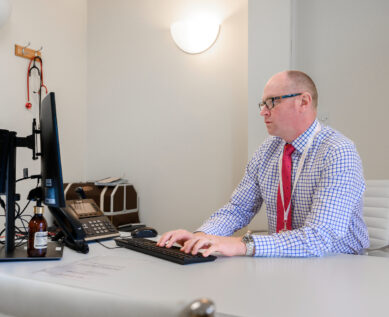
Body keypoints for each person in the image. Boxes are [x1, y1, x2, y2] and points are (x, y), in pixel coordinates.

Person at [157, 70, 369, 257]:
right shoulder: (268, 149)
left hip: (339, 264)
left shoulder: (338, 152)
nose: (263, 111)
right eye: (263, 104)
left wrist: (240, 245)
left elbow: (319, 237)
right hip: (285, 262)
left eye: (272, 102)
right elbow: (238, 208)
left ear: (303, 102)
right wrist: (201, 236)